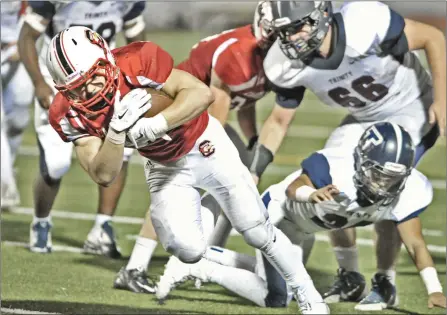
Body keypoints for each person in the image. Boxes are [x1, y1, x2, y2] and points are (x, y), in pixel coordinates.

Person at [46, 26, 330, 314]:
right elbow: (103, 174)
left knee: (256, 229)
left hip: (204, 144)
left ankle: (307, 292)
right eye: (75, 89)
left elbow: (201, 94)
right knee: (188, 250)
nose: (87, 92)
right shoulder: (67, 113)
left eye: (91, 78)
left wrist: (155, 125)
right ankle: (181, 233)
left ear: (107, 58)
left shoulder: (136, 61)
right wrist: (117, 133)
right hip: (163, 165)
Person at [243, 1, 445, 310]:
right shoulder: (286, 62)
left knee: (382, 188)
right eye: (285, 32)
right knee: (331, 178)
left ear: (322, 16)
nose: (293, 38)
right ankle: (350, 275)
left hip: (411, 109)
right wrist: (254, 169)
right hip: (364, 118)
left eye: (298, 27)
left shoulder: (363, 23)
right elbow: (279, 120)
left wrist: (442, 100)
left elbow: (433, 36)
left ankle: (384, 280)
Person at [161, 122, 446, 312]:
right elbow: (292, 187)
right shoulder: (334, 167)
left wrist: (434, 290)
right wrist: (312, 195)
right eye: (378, 175)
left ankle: (203, 254)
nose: (383, 186)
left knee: (275, 275)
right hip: (277, 216)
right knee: (277, 297)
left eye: (392, 179)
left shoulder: (409, 192)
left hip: (302, 230)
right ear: (361, 162)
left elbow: (416, 244)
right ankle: (198, 268)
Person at [112, 1, 279, 293]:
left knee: (235, 180)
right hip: (177, 116)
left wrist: (253, 145)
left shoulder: (268, 57)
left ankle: (204, 257)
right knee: (192, 183)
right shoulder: (240, 54)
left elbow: (246, 101)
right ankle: (136, 267)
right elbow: (216, 112)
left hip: (195, 115)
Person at [18, 1, 147, 258]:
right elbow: (26, 38)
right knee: (56, 165)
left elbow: (137, 40)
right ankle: (41, 221)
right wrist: (39, 83)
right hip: (61, 82)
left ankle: (102, 226)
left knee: (119, 148)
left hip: (103, 79)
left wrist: (136, 77)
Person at [1, 0, 33, 209]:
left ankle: (7, 166)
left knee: (20, 116)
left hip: (15, 51)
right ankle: (5, 186)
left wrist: (26, 45)